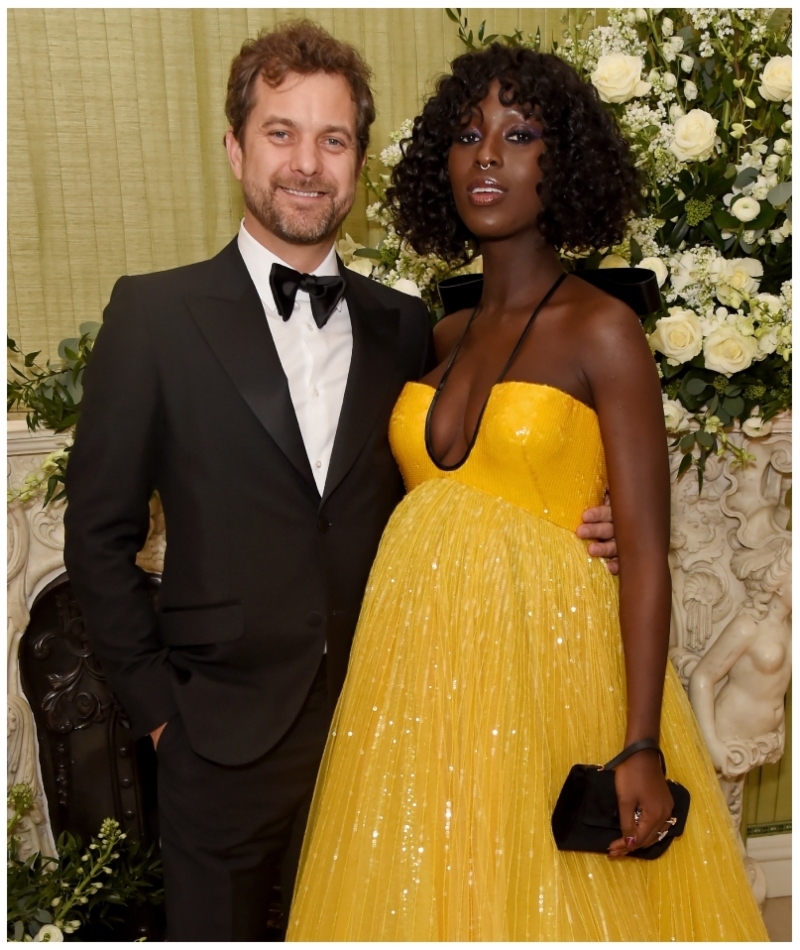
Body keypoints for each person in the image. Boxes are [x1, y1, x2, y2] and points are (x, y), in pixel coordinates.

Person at [62, 22, 618, 942]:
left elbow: (458, 491)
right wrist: (164, 720)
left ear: (359, 159)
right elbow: (98, 535)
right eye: (281, 133)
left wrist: (587, 522)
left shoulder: (412, 329)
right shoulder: (152, 316)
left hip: (397, 724)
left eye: (333, 140)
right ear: (236, 146)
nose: (307, 165)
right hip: (219, 744)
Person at [286, 44, 769, 941]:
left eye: (519, 135)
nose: (488, 157)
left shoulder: (604, 330)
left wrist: (640, 742)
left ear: (565, 161)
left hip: (553, 675)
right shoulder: (443, 331)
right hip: (419, 688)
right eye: (469, 135)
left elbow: (645, 555)